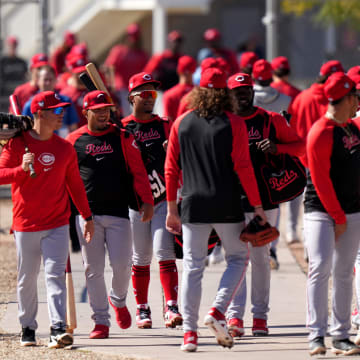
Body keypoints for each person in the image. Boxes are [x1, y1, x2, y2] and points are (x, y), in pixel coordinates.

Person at [165, 67, 266, 352]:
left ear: (198, 90)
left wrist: (172, 209)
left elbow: (171, 169)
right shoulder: (234, 123)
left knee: (193, 268)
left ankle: (189, 335)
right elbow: (244, 168)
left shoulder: (181, 123)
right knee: (238, 258)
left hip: (192, 203)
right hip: (227, 203)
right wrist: (257, 206)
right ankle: (218, 311)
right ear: (225, 93)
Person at [0, 91, 94, 348]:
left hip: (57, 223)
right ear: (40, 114)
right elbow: (1, 175)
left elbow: (75, 184)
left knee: (54, 276)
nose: (62, 114)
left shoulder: (64, 148)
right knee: (27, 278)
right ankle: (27, 327)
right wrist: (21, 169)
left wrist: (87, 216)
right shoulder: (17, 144)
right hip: (26, 223)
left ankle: (57, 328)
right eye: (56, 110)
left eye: (62, 110)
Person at [66, 90, 153, 339]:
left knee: (123, 265)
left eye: (107, 109)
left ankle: (118, 299)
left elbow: (138, 170)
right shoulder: (74, 140)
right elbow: (65, 177)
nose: (104, 113)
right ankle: (101, 322)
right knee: (93, 269)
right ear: (86, 112)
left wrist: (147, 200)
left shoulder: (123, 137)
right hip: (87, 215)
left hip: (118, 212)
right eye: (98, 110)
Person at [226, 72, 305, 338]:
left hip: (266, 199)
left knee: (260, 259)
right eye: (237, 91)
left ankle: (259, 317)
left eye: (246, 89)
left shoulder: (270, 119)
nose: (243, 94)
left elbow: (300, 146)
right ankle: (234, 316)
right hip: (233, 199)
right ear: (229, 95)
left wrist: (276, 148)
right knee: (236, 259)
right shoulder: (223, 121)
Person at [304, 72, 360, 356]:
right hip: (321, 211)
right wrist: (337, 217)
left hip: (351, 209)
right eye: (355, 98)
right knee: (320, 268)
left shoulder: (352, 128)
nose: (357, 104)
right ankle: (316, 334)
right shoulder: (321, 132)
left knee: (343, 274)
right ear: (346, 99)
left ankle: (340, 335)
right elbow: (321, 180)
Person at [122, 72, 183, 329]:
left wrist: (173, 147)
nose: (150, 99)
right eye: (145, 94)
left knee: (164, 251)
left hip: (162, 199)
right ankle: (142, 308)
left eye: (153, 94)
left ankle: (171, 306)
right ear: (132, 97)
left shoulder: (165, 124)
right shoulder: (123, 128)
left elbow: (180, 157)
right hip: (135, 201)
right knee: (141, 255)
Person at [252, 58, 292, 269]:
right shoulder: (285, 99)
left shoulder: (245, 96)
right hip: (275, 158)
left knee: (249, 207)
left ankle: (254, 251)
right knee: (273, 205)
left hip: (250, 159)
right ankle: (272, 250)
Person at [105, 23, 149, 116]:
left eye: (135, 38)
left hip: (136, 89)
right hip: (121, 89)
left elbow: (146, 73)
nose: (132, 41)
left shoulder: (142, 54)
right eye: (130, 37)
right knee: (126, 114)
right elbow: (109, 67)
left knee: (138, 114)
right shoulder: (119, 51)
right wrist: (111, 83)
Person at [22, 66, 79, 138]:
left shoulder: (65, 101)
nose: (48, 83)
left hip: (61, 143)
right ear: (38, 81)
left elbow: (73, 128)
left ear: (56, 80)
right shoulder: (30, 105)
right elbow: (24, 129)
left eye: (50, 79)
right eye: (45, 80)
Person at [162, 55, 197, 124]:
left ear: (178, 70)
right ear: (194, 71)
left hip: (176, 133)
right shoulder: (200, 93)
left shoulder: (169, 94)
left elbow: (167, 122)